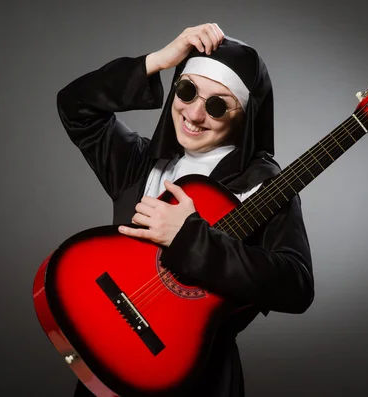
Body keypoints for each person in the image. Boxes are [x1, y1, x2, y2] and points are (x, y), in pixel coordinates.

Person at [56, 23, 314, 397]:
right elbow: (74, 106)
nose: (193, 115)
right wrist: (159, 61)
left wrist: (190, 238)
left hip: (198, 377)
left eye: (216, 105)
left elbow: (296, 285)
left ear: (244, 116)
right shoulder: (141, 165)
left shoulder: (264, 187)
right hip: (110, 362)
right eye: (187, 90)